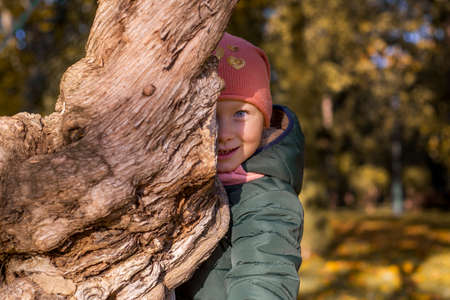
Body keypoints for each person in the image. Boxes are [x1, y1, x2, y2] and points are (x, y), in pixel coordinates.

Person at [176, 32, 305, 300]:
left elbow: (265, 275)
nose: (224, 133)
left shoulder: (266, 198)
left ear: (264, 119)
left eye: (240, 114)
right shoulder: (185, 182)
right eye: (210, 114)